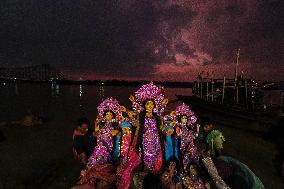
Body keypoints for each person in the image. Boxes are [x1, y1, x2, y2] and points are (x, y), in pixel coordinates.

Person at [130, 82, 168, 173]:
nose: (150, 106)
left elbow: (161, 128)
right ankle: (145, 170)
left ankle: (154, 171)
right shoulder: (141, 115)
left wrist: (165, 126)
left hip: (155, 140)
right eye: (148, 104)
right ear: (144, 105)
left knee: (156, 156)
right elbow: (136, 125)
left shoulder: (157, 116)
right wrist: (131, 117)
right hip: (144, 139)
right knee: (144, 156)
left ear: (154, 105)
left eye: (151, 104)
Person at [88, 97, 121, 167]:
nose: (108, 116)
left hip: (109, 144)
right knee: (98, 157)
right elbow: (96, 133)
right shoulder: (101, 124)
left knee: (105, 159)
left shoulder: (115, 125)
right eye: (107, 114)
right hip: (100, 143)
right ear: (104, 115)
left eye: (110, 115)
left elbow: (118, 134)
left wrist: (116, 132)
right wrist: (96, 126)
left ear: (113, 116)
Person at [173, 103, 199, 170]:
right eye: (183, 118)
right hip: (183, 147)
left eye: (185, 118)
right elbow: (178, 136)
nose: (184, 119)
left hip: (191, 147)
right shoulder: (178, 128)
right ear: (180, 119)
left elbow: (194, 137)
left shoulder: (189, 129)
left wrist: (198, 129)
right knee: (184, 160)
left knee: (194, 160)